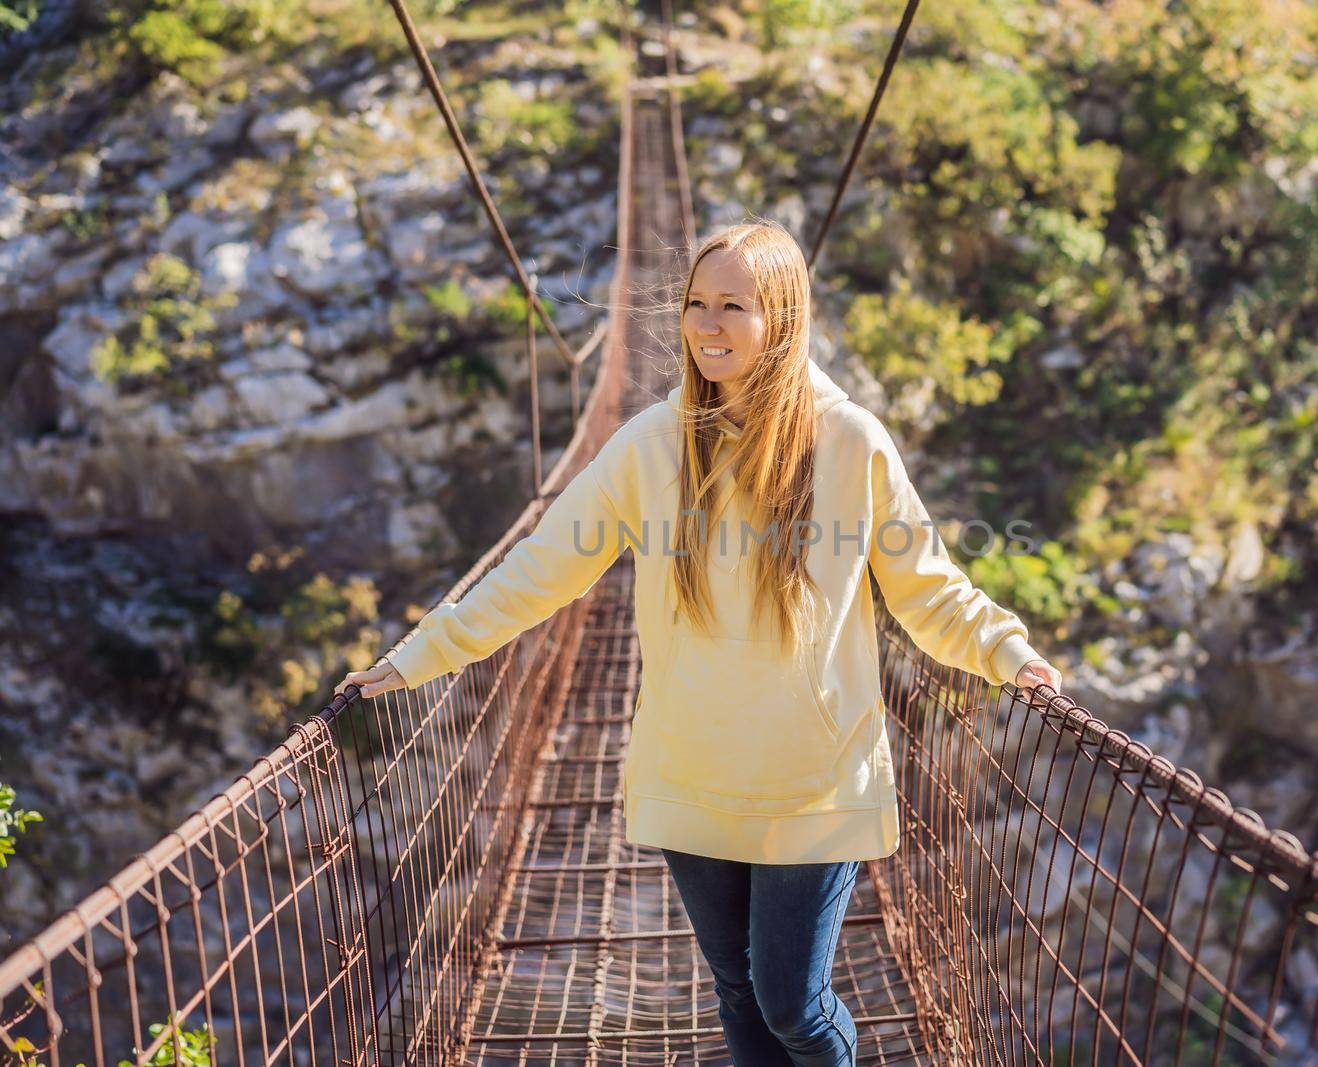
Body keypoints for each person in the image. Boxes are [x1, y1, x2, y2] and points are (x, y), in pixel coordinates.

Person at [336, 218, 1062, 1065]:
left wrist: (1012, 655)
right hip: (695, 774)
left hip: (814, 785)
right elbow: (542, 569)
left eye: (734, 307)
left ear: (783, 318)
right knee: (738, 993)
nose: (707, 325)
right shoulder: (649, 444)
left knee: (793, 1002)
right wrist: (421, 653)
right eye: (696, 303)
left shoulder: (849, 439)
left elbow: (929, 589)